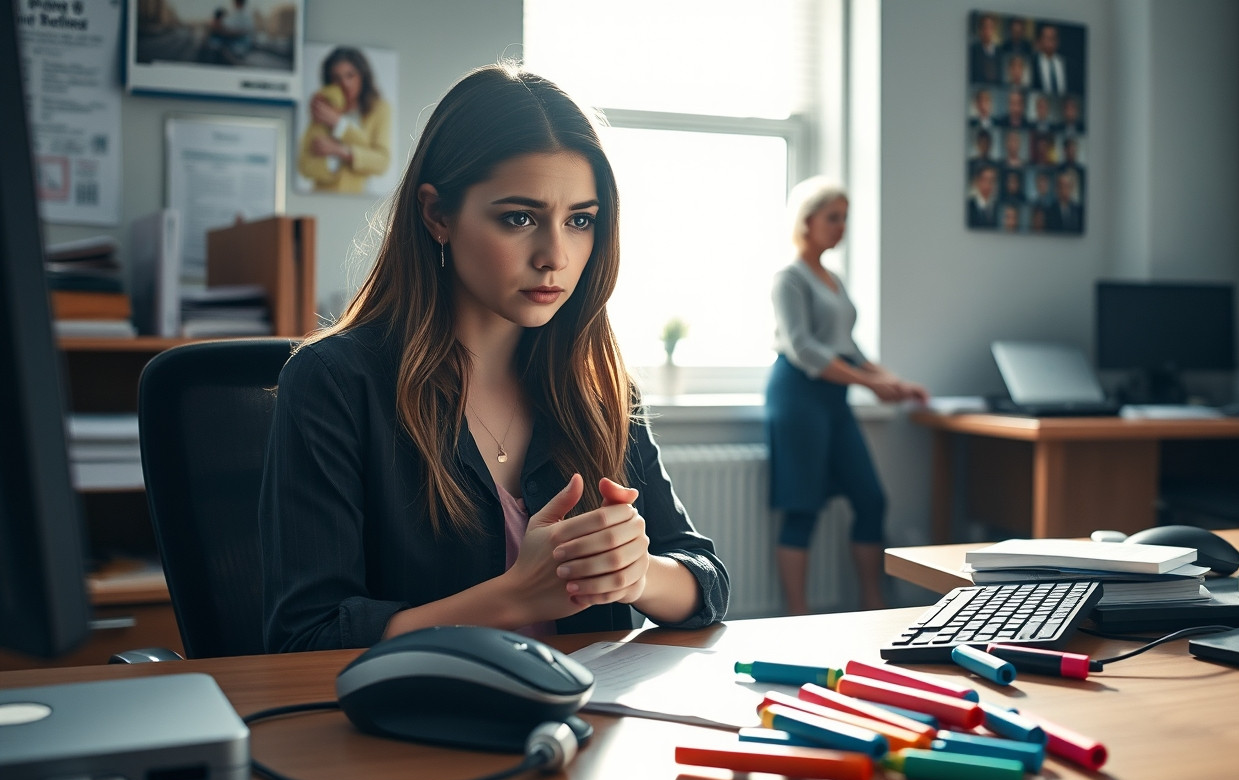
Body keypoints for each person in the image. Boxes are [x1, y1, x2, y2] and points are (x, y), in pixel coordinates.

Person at [261, 64, 730, 651]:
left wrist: (639, 574)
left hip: (581, 728)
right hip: (410, 730)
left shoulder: (597, 384)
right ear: (437, 215)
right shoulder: (336, 382)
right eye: (519, 218)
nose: (555, 255)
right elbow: (306, 638)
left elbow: (704, 578)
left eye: (580, 220)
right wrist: (517, 596)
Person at [766, 177, 927, 615]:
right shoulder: (789, 278)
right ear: (808, 221)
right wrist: (869, 384)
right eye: (833, 218)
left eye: (845, 219)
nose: (841, 227)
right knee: (803, 508)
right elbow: (805, 349)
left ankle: (872, 602)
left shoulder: (832, 278)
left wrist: (894, 379)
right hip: (799, 396)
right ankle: (796, 614)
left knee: (871, 499)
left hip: (834, 399)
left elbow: (849, 348)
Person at [298, 47, 392, 194]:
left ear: (363, 76)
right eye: (337, 78)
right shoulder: (323, 107)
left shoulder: (379, 109)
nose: (345, 84)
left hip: (358, 200)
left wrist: (339, 145)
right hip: (321, 197)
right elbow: (305, 165)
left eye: (350, 75)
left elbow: (381, 163)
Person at [967, 163, 999, 229]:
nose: (988, 184)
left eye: (992, 180)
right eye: (985, 179)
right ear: (977, 181)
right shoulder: (969, 205)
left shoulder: (998, 206)